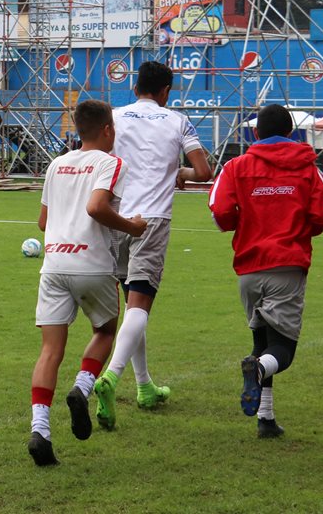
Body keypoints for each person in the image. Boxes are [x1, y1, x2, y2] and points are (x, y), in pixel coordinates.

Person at [93, 61, 213, 431]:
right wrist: (180, 172)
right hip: (152, 218)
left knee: (132, 304)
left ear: (135, 88)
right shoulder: (178, 121)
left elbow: (98, 158)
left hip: (116, 216)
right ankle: (111, 377)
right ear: (166, 92)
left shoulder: (114, 117)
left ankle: (145, 386)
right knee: (140, 304)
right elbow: (204, 172)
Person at [27, 99, 147, 467]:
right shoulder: (111, 163)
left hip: (53, 265)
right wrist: (132, 227)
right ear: (108, 129)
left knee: (50, 350)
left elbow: (43, 222)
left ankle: (40, 429)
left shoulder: (56, 164)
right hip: (92, 264)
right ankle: (81, 387)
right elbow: (96, 207)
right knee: (106, 331)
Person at [208, 103, 323, 439]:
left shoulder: (235, 166)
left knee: (262, 341)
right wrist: (300, 231)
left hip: (249, 268)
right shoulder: (307, 166)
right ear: (291, 132)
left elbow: (220, 211)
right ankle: (258, 371)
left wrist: (243, 224)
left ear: (255, 133)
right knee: (283, 350)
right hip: (287, 266)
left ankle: (265, 418)